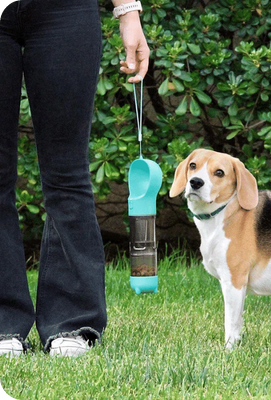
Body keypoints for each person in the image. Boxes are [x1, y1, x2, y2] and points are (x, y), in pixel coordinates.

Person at [0, 0, 149, 357]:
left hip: (64, 11)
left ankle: (71, 322)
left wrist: (128, 11)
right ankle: (3, 324)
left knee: (67, 174)